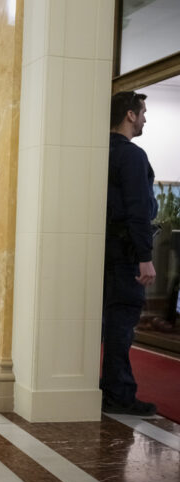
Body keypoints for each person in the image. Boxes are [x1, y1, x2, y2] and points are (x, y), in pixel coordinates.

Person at [101, 91, 157, 416]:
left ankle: (109, 386)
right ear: (130, 115)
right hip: (125, 254)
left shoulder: (98, 152)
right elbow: (138, 210)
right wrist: (144, 256)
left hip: (103, 250)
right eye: (143, 112)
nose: (145, 118)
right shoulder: (132, 156)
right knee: (122, 321)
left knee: (108, 322)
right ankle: (119, 393)